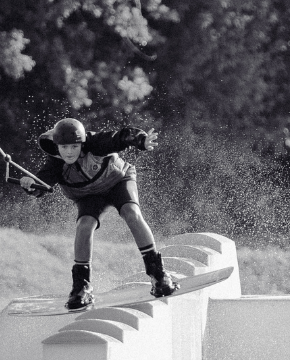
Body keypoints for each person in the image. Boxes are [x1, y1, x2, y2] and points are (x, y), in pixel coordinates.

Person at [20, 117, 177, 309]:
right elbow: (41, 184)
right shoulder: (55, 163)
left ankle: (158, 274)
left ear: (82, 143)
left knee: (131, 213)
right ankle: (81, 287)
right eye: (64, 147)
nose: (69, 152)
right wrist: (30, 185)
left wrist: (141, 140)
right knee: (84, 226)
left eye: (74, 146)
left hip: (118, 181)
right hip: (89, 196)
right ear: (57, 146)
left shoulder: (96, 143)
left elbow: (121, 137)